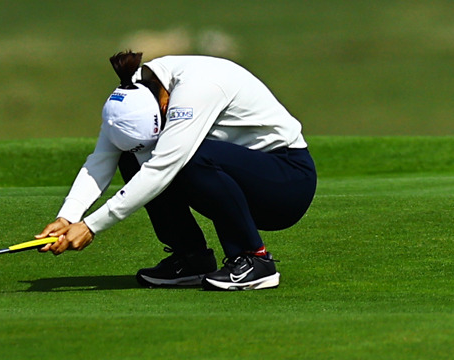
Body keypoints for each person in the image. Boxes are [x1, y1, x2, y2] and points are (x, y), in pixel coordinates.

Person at [36, 51, 317, 291]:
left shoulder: (196, 89)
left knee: (189, 158)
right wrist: (68, 216)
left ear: (165, 106)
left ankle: (255, 260)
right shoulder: (130, 97)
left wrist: (90, 226)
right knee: (133, 157)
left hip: (286, 182)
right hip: (239, 175)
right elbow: (102, 157)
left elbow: (160, 170)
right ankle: (191, 260)